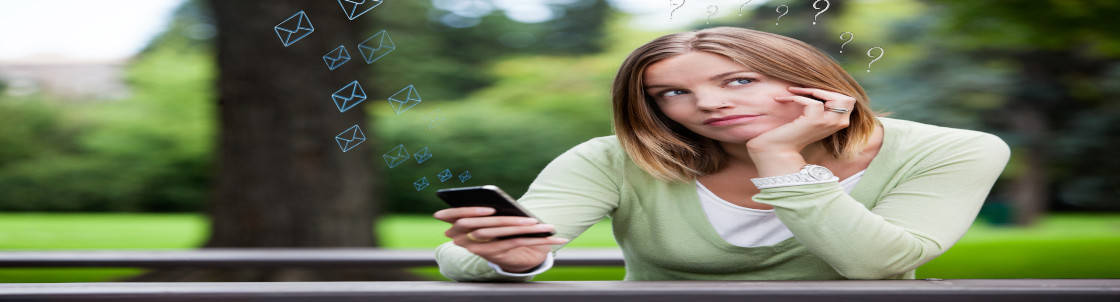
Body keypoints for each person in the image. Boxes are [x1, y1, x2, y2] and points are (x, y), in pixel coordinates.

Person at [432, 27, 1010, 281]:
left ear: (808, 78)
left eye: (738, 82)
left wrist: (779, 155)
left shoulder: (954, 150)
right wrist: (510, 258)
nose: (706, 105)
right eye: (673, 93)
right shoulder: (611, 159)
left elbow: (874, 265)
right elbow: (462, 259)